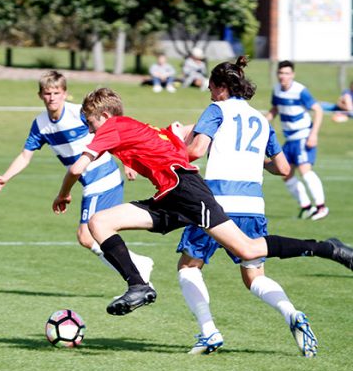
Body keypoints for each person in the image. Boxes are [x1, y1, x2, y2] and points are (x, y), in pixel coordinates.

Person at [51, 86, 352, 318]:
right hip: (170, 196)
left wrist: (64, 193)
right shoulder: (139, 128)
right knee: (100, 222)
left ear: (104, 116)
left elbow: (77, 168)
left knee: (248, 248)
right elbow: (170, 138)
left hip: (187, 191)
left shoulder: (114, 127)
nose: (89, 128)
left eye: (89, 121)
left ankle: (328, 247)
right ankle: (138, 285)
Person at [175, 57, 317, 357]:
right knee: (254, 277)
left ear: (223, 88)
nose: (211, 95)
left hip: (215, 204)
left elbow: (196, 151)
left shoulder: (217, 110)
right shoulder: (261, 120)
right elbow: (282, 168)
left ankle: (208, 331)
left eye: (212, 89)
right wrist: (254, 160)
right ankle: (292, 313)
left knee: (189, 266)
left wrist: (174, 145)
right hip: (252, 206)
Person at [0, 70, 154, 284]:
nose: (52, 98)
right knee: (90, 236)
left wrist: (127, 161)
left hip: (103, 177)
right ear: (40, 95)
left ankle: (137, 275)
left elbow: (114, 129)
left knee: (87, 236)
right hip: (88, 183)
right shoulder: (40, 124)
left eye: (56, 92)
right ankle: (137, 268)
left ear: (65, 93)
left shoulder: (79, 113)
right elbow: (25, 155)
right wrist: (6, 176)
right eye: (47, 93)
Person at [266, 60, 328, 220]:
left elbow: (318, 110)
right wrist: (264, 123)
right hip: (289, 140)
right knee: (285, 173)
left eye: (287, 73)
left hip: (303, 137)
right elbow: (275, 109)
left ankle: (321, 207)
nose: (283, 76)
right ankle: (307, 206)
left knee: (305, 172)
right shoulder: (277, 90)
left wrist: (313, 134)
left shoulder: (300, 91)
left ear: (292, 74)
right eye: (281, 73)